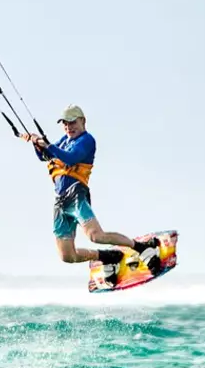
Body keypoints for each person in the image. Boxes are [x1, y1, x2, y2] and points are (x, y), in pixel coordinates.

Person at [27, 105, 145, 269]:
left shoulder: (87, 140)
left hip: (76, 195)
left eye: (73, 122)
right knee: (67, 256)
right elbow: (45, 156)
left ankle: (139, 246)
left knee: (96, 236)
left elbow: (71, 158)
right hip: (61, 201)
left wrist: (48, 146)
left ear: (83, 121)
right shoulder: (64, 140)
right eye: (65, 124)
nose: (69, 127)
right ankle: (107, 256)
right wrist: (37, 144)